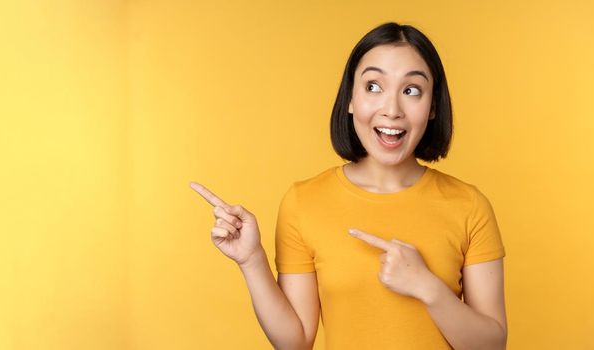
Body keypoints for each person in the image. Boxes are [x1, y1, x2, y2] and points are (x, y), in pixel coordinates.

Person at [191, 22, 507, 349]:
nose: (392, 110)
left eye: (412, 90)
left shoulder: (469, 205)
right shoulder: (304, 202)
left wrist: (428, 287)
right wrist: (252, 260)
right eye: (373, 86)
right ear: (351, 100)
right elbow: (295, 342)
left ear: (432, 108)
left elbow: (491, 345)